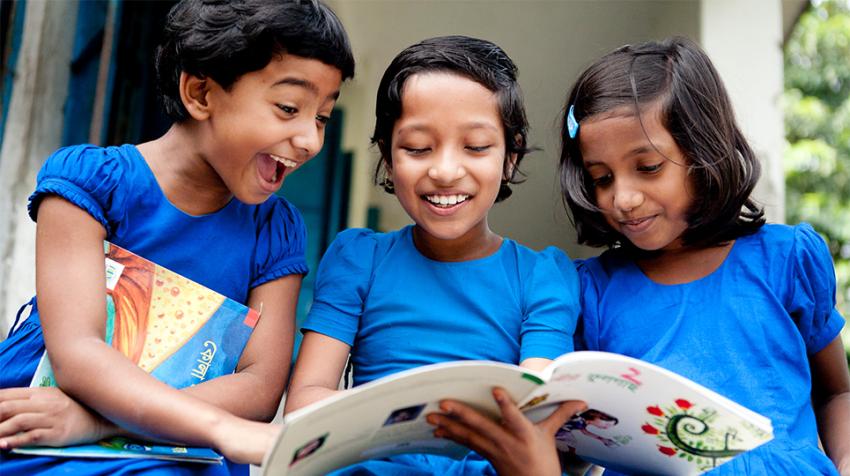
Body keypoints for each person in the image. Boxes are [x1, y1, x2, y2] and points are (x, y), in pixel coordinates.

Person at [0, 0, 354, 474]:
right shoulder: (93, 183)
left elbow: (260, 386)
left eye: (322, 118)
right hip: (42, 433)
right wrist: (220, 429)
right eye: (288, 107)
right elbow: (79, 355)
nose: (310, 140)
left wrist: (100, 423)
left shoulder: (275, 229)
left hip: (177, 451)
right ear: (201, 93)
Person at [284, 35, 585, 476]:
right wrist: (426, 414)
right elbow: (305, 403)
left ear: (511, 158)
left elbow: (536, 414)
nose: (444, 171)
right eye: (418, 148)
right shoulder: (359, 259)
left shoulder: (543, 277)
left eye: (477, 146)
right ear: (387, 158)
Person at [556, 37, 850, 474]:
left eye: (648, 167)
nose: (624, 197)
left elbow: (836, 392)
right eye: (601, 178)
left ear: (703, 152)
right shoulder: (592, 291)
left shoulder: (785, 261)